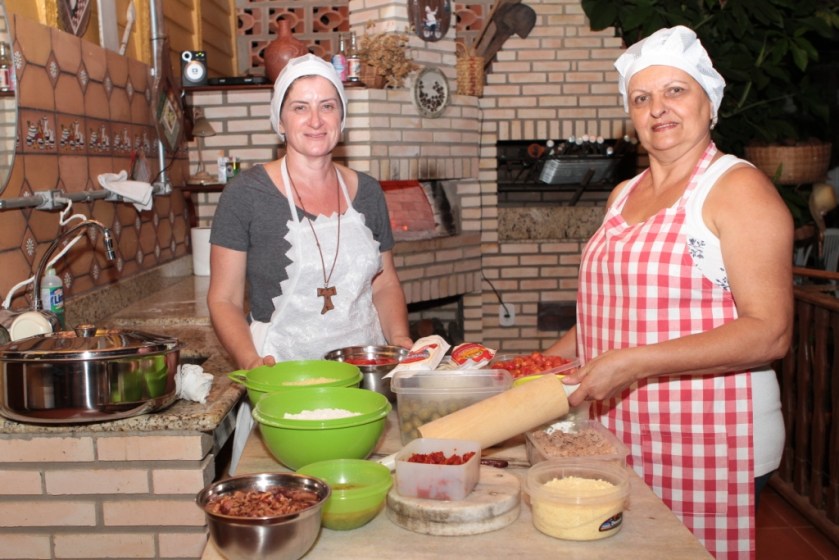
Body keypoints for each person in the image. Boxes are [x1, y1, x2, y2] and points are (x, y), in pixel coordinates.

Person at [547, 26, 792, 559]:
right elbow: (609, 313)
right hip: (622, 425)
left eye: (676, 91)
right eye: (642, 98)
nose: (658, 108)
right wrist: (543, 363)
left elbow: (769, 332)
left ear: (710, 103)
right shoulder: (623, 194)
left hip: (710, 435)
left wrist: (631, 364)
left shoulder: (737, 188)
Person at [207, 54, 413, 370]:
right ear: (280, 121)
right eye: (300, 107)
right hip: (282, 369)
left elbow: (384, 284)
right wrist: (250, 361)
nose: (315, 120)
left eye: (327, 106)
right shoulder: (246, 194)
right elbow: (225, 300)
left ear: (341, 119)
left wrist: (399, 338)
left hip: (363, 367)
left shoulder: (369, 192)